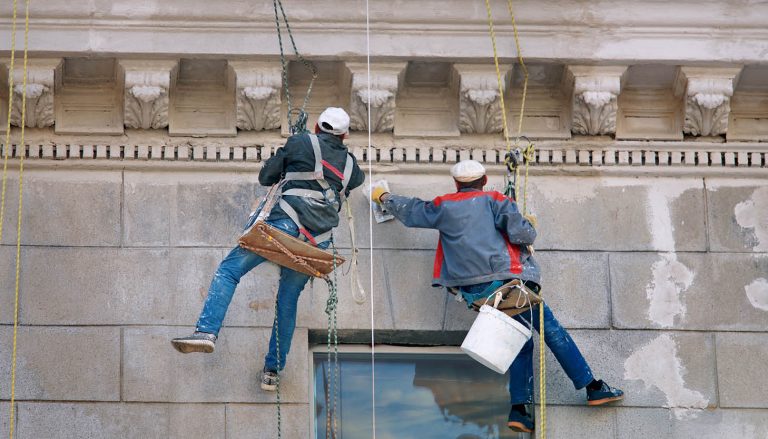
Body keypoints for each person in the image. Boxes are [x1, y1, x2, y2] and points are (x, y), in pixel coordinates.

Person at [371, 159, 623, 433]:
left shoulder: (443, 206)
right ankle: (592, 387)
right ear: (484, 180)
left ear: (456, 184)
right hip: (506, 283)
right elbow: (523, 233)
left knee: (518, 339)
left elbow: (413, 211)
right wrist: (526, 222)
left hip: (473, 292)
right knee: (551, 330)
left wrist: (383, 196)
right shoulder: (494, 200)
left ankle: (520, 411)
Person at [172, 107, 364, 392]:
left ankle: (206, 332)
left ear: (316, 126)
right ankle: (273, 371)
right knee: (287, 301)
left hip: (285, 227)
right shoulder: (352, 168)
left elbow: (267, 177)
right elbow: (350, 185)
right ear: (345, 135)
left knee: (229, 271)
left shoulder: (300, 143)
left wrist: (284, 153)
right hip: (316, 243)